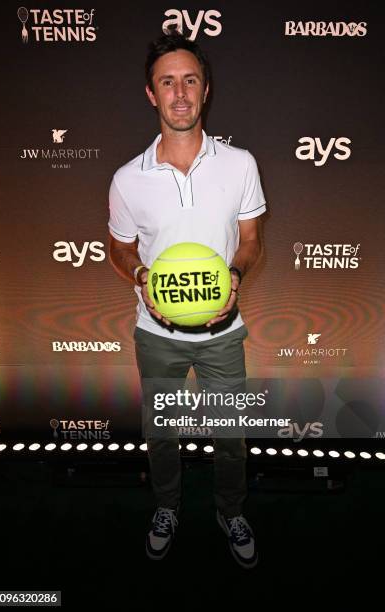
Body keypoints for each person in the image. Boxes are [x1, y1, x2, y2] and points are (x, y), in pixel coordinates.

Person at [108, 28, 266, 569]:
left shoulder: (240, 164)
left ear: (206, 89)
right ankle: (167, 506)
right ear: (152, 94)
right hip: (157, 337)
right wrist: (140, 276)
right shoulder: (128, 179)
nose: (180, 94)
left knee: (230, 436)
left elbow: (249, 242)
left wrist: (236, 276)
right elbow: (118, 248)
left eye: (190, 80)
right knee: (162, 435)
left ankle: (230, 510)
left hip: (223, 334)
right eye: (167, 82)